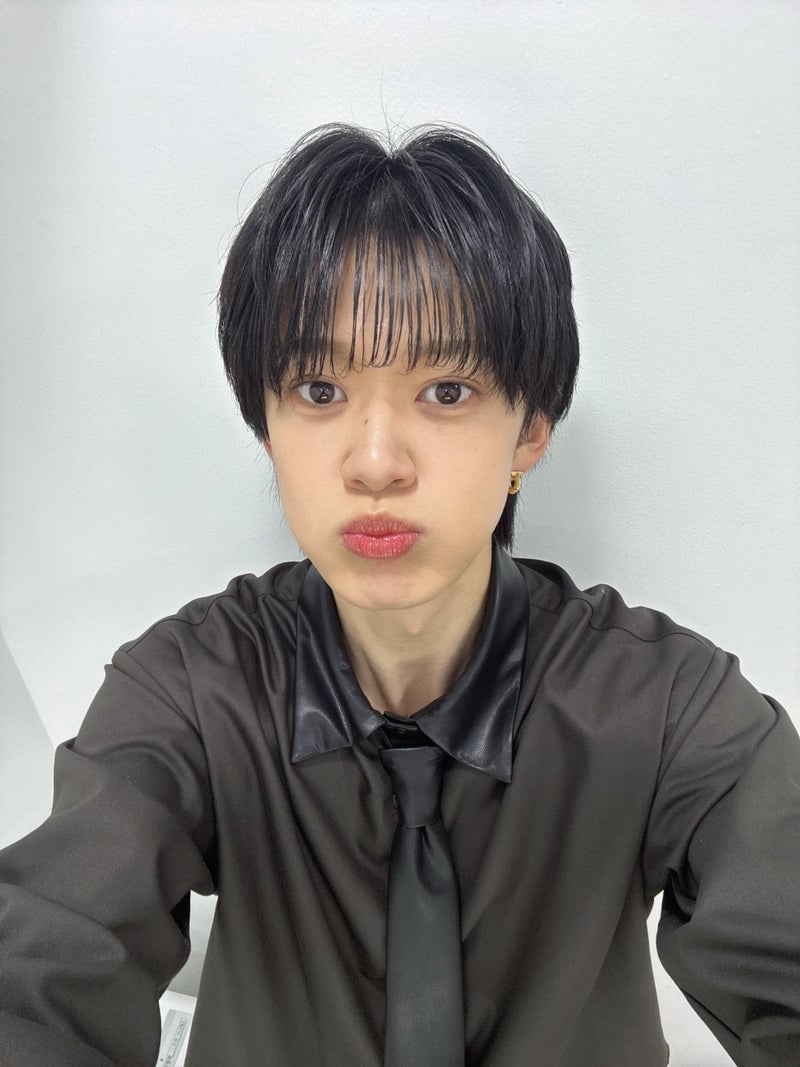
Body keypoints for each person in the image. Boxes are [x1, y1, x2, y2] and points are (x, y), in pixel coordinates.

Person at [0, 123, 798, 1067]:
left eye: (447, 390)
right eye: (319, 387)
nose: (376, 462)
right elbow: (46, 965)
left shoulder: (668, 709)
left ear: (531, 429)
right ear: (266, 425)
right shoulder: (188, 691)